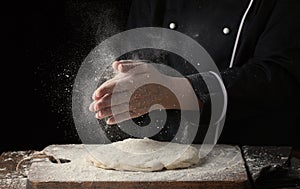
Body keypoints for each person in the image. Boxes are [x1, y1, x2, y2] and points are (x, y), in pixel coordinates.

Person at [89, 0, 300, 147]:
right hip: (164, 149)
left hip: (246, 149)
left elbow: (278, 75)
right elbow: (138, 55)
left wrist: (176, 91)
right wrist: (128, 84)